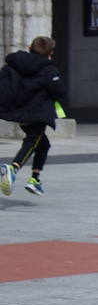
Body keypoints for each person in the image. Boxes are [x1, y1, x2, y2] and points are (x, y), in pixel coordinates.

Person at [0, 36, 69, 198]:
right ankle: (13, 168)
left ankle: (35, 179)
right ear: (50, 53)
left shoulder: (16, 62)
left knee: (43, 145)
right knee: (32, 142)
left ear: (31, 47)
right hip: (36, 113)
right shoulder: (49, 69)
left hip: (19, 112)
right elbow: (60, 91)